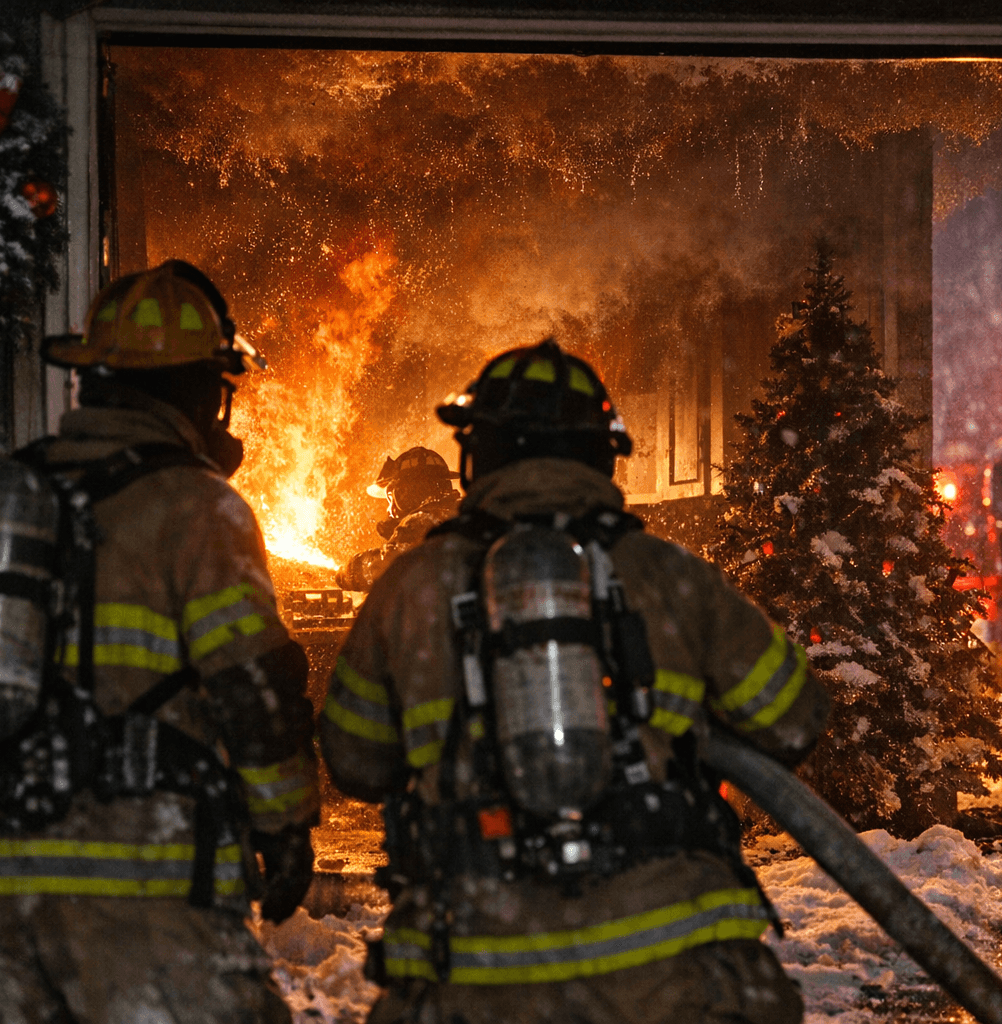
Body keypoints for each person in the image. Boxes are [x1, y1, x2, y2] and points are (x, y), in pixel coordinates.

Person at [0, 261, 318, 1024]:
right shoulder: (198, 508)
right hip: (136, 889)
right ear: (205, 393)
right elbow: (256, 693)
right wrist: (285, 829)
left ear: (91, 383)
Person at [320, 338, 830, 1024]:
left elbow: (354, 761)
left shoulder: (410, 586)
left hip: (473, 977)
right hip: (672, 979)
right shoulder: (671, 576)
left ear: (478, 457)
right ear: (602, 455)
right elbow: (795, 719)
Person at [336, 447, 461, 592]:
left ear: (404, 492)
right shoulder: (456, 515)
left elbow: (387, 568)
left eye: (390, 498)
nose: (389, 509)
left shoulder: (420, 520)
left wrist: (351, 572)